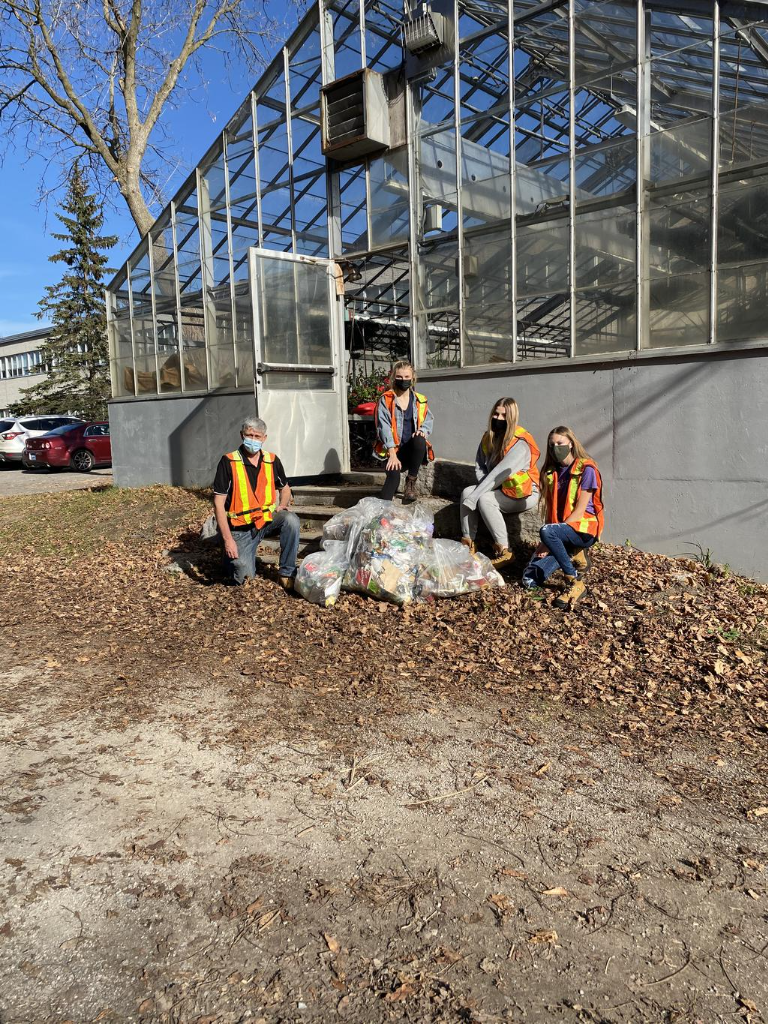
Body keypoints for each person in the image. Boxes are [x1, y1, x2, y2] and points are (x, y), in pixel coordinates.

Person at [521, 425, 605, 610]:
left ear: (571, 444)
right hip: (559, 532)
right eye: (552, 445)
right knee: (528, 580)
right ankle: (573, 553)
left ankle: (574, 581)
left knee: (547, 531)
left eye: (560, 443)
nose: (555, 448)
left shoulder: (586, 468)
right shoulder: (551, 473)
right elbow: (552, 514)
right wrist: (547, 541)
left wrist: (550, 535)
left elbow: (580, 511)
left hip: (583, 530)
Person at [212, 416, 300, 590]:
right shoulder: (228, 461)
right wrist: (228, 540)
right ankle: (231, 556)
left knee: (290, 519)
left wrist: (282, 504)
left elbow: (286, 488)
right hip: (240, 528)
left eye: (257, 436)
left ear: (264, 438)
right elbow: (218, 504)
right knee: (242, 577)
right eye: (249, 435)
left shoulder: (272, 460)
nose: (253, 439)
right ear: (241, 435)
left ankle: (287, 572)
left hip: (265, 521)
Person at [460, 398, 540, 568]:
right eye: (496, 413)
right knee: (467, 492)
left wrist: (478, 495)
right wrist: (476, 492)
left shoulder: (520, 442)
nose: (499, 418)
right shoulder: (488, 437)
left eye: (504, 415)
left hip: (524, 492)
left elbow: (498, 474)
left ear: (512, 417)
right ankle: (468, 545)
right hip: (498, 488)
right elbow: (480, 466)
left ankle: (504, 551)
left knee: (484, 499)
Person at [373, 360, 434, 504]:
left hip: (412, 452)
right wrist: (392, 455)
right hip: (392, 451)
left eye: (407, 377)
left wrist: (422, 430)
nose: (403, 380)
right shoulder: (386, 400)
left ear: (413, 378)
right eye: (399, 377)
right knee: (393, 479)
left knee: (420, 438)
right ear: (394, 378)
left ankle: (411, 482)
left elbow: (428, 420)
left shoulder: (420, 400)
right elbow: (384, 427)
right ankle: (382, 514)